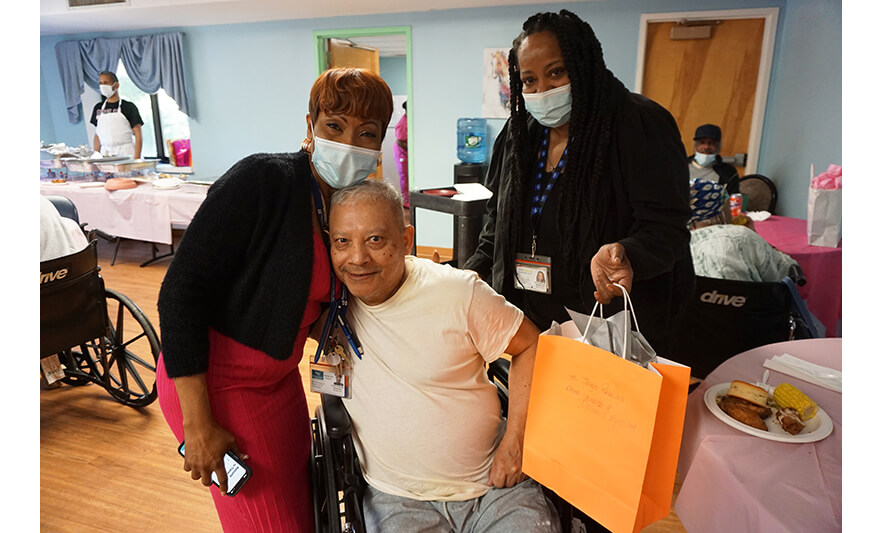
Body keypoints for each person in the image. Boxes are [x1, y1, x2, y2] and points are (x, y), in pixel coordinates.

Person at [155, 68, 393, 532]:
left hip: (279, 382)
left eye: (366, 133)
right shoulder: (262, 180)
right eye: (334, 126)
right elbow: (181, 291)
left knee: (307, 514)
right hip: (214, 385)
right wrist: (197, 424)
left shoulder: (347, 206)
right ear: (310, 126)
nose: (349, 144)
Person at [326, 179, 559, 533]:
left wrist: (516, 441)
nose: (357, 258)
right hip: (397, 498)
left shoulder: (458, 292)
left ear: (406, 240)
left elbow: (531, 345)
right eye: (342, 242)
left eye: (375, 240)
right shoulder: (331, 307)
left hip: (493, 487)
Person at [463, 10, 695, 359]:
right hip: (533, 320)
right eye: (529, 80)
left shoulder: (639, 124)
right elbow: (497, 223)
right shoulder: (517, 135)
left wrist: (627, 252)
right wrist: (471, 275)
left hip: (610, 324)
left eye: (556, 72)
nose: (542, 90)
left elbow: (668, 229)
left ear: (584, 65)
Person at [689, 179, 799, 282]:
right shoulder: (742, 235)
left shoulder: (684, 243)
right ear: (720, 210)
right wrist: (754, 235)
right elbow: (786, 271)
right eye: (728, 206)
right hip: (749, 296)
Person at [90, 71, 144, 159]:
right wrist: (96, 155)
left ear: (116, 85)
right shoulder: (98, 108)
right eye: (101, 83)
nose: (103, 86)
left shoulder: (128, 107)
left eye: (106, 82)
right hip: (105, 154)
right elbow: (97, 134)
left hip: (126, 153)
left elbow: (138, 134)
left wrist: (137, 157)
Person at [687, 123, 740, 194]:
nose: (706, 147)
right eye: (702, 143)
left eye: (711, 143)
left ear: (719, 147)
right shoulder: (681, 167)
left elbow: (733, 197)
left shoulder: (728, 172)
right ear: (695, 146)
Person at [394, 100, 409, 206]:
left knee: (408, 176)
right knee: (404, 176)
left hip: (407, 152)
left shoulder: (410, 120)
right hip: (401, 152)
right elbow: (400, 142)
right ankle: (406, 201)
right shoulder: (403, 123)